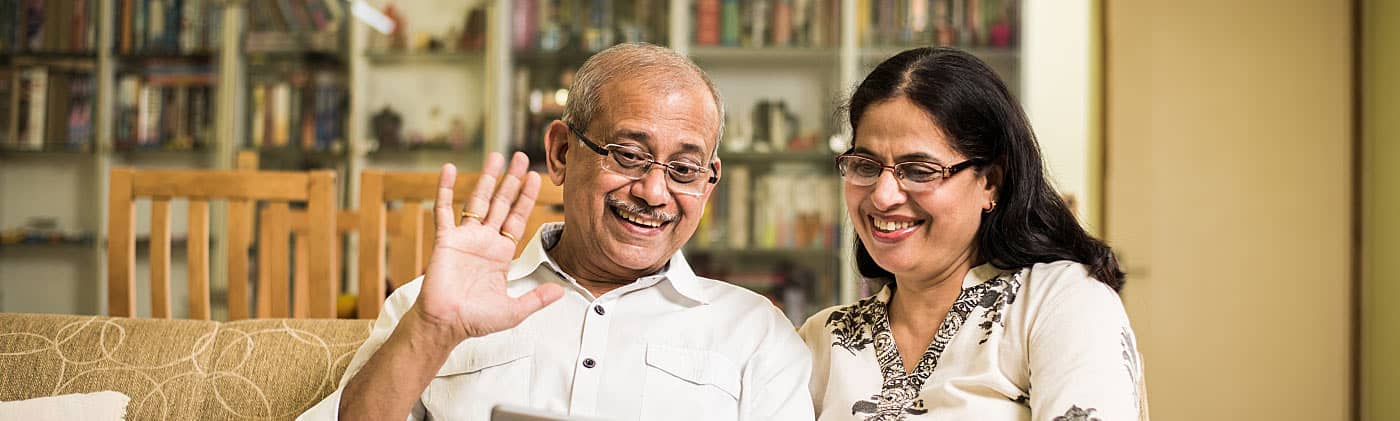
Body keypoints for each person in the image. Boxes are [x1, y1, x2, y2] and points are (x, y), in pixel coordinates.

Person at [300, 43, 813, 421]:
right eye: (630, 156)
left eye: (684, 169)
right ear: (562, 153)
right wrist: (431, 331)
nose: (655, 192)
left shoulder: (756, 335)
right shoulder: (437, 305)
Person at [799, 47, 1149, 420]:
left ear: (991, 183)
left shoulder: (1057, 304)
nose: (883, 196)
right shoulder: (823, 339)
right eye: (866, 165)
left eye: (919, 170)